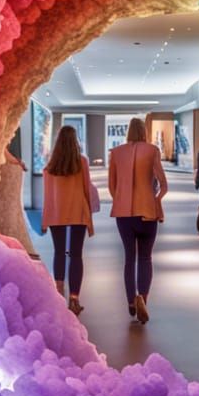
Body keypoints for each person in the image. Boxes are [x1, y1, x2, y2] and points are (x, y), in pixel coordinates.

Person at [108, 117, 168, 324]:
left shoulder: (116, 153)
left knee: (129, 258)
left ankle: (131, 303)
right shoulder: (152, 151)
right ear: (144, 131)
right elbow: (163, 184)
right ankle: (143, 296)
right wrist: (156, 199)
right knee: (145, 258)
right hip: (147, 212)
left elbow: (112, 186)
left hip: (124, 213)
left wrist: (122, 199)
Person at [41, 126, 95, 316]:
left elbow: (47, 195)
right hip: (78, 212)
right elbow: (87, 190)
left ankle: (58, 294)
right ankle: (74, 298)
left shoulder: (50, 166)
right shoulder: (82, 162)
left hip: (57, 213)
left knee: (59, 253)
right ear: (75, 141)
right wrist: (89, 219)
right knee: (76, 255)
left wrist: (45, 219)